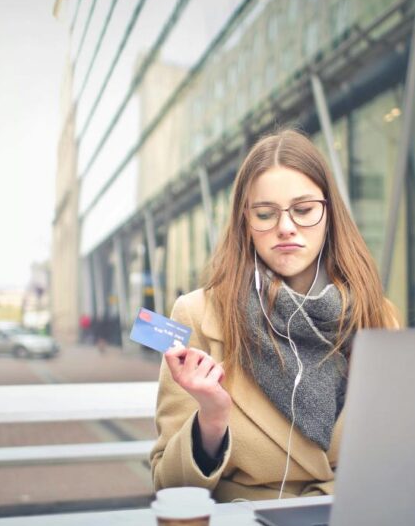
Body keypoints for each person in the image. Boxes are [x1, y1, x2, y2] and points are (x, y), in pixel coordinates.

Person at [150, 129, 398, 502]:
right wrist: (211, 420)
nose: (286, 227)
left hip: (355, 521)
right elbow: (168, 484)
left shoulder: (377, 315)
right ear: (245, 224)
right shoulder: (196, 314)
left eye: (303, 210)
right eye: (265, 214)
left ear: (329, 214)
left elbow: (397, 448)